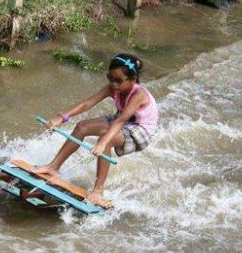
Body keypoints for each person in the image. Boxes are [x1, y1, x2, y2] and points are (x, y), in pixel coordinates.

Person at [37, 53, 159, 208]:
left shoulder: (138, 94)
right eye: (110, 78)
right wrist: (62, 118)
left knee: (104, 139)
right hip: (121, 119)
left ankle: (98, 191)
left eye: (119, 81)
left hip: (140, 130)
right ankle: (53, 167)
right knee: (82, 126)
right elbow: (87, 104)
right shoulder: (113, 88)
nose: (113, 84)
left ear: (133, 79)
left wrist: (103, 143)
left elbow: (121, 121)